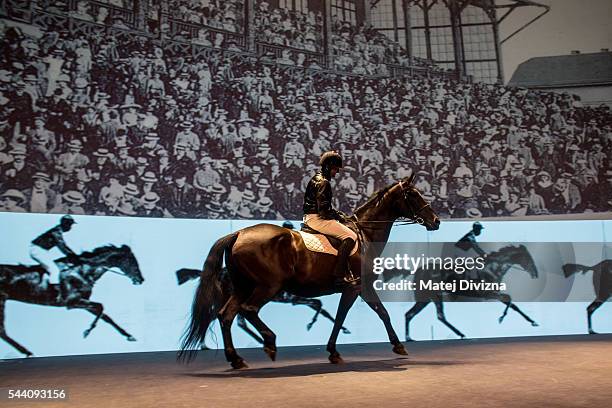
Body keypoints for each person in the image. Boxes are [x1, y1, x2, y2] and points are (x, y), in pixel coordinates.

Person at [303, 151, 359, 287]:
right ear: (328, 167)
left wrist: (337, 214)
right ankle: (339, 275)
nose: (337, 173)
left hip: (310, 216)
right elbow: (324, 210)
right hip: (317, 219)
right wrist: (339, 216)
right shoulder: (324, 183)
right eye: (335, 169)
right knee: (351, 236)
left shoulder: (316, 178)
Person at [29, 215, 80, 303]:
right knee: (54, 270)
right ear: (65, 224)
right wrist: (74, 256)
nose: (70, 227)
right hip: (37, 250)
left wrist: (73, 256)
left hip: (42, 250)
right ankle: (54, 292)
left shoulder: (57, 231)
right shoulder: (56, 232)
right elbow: (62, 246)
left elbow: (64, 247)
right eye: (70, 225)